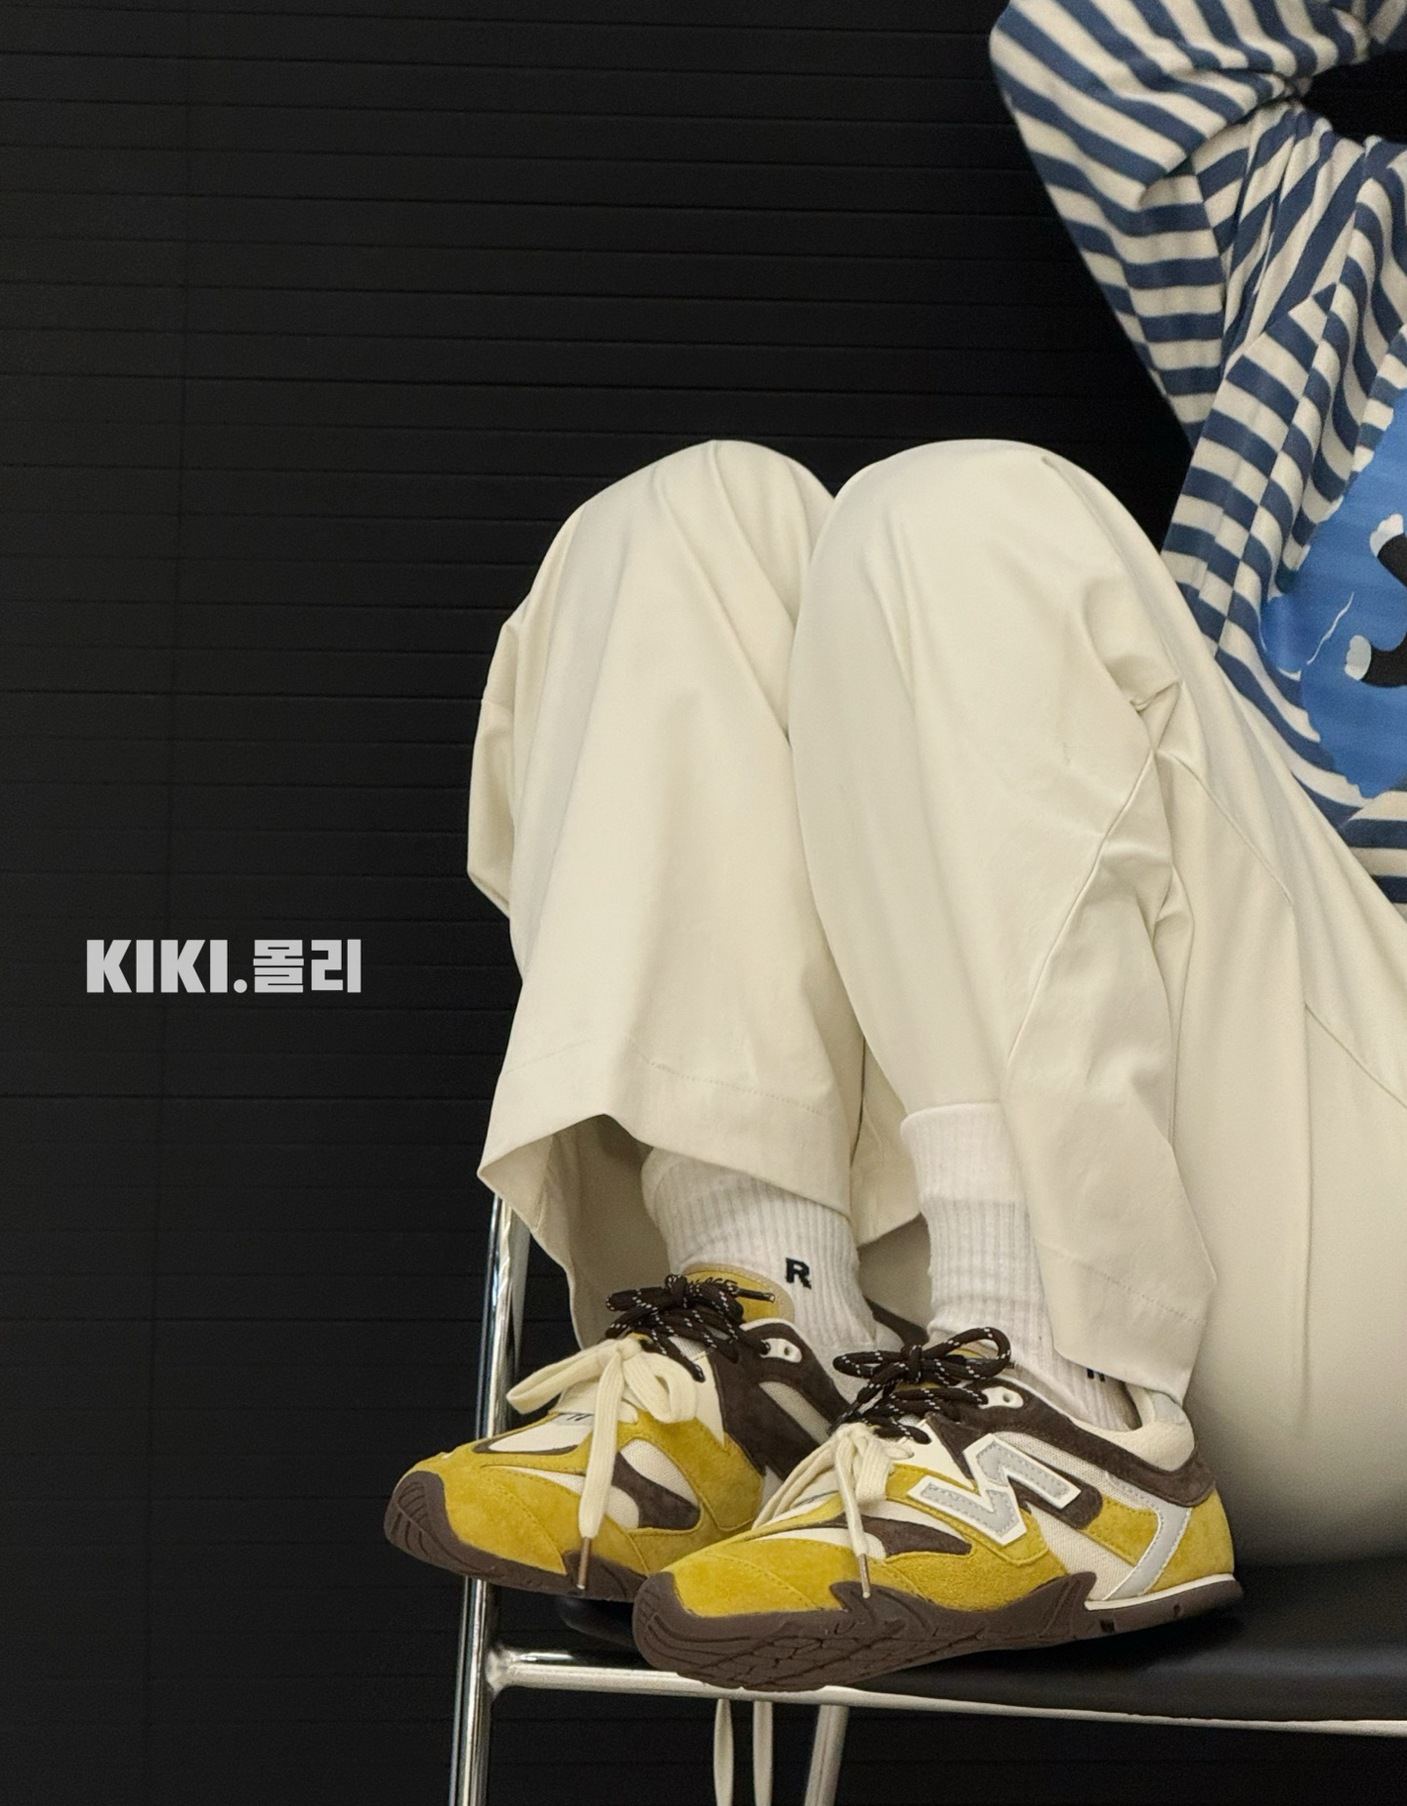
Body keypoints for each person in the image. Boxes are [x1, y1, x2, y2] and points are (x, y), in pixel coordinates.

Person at [386, 1, 1407, 1692]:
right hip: (1058, 1215)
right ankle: (769, 1333)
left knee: (967, 516)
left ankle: (1079, 1417)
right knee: (692, 521)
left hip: (1357, 1255)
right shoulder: (1343, 254)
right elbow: (1103, 53)